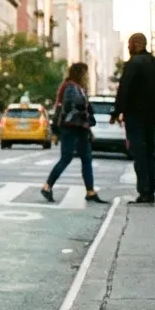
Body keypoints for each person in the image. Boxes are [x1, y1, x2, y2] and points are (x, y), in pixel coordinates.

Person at [114, 33, 155, 203]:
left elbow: (124, 89)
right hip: (153, 116)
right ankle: (150, 189)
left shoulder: (133, 64)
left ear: (137, 45)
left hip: (135, 115)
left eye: (130, 44)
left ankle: (144, 190)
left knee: (139, 153)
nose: (128, 47)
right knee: (150, 152)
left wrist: (117, 112)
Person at [41, 63, 105, 204]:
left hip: (80, 128)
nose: (87, 75)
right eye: (85, 72)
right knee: (66, 157)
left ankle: (90, 191)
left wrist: (88, 128)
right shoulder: (70, 87)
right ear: (79, 73)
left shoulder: (78, 87)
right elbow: (74, 108)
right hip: (70, 127)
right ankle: (47, 186)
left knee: (86, 158)